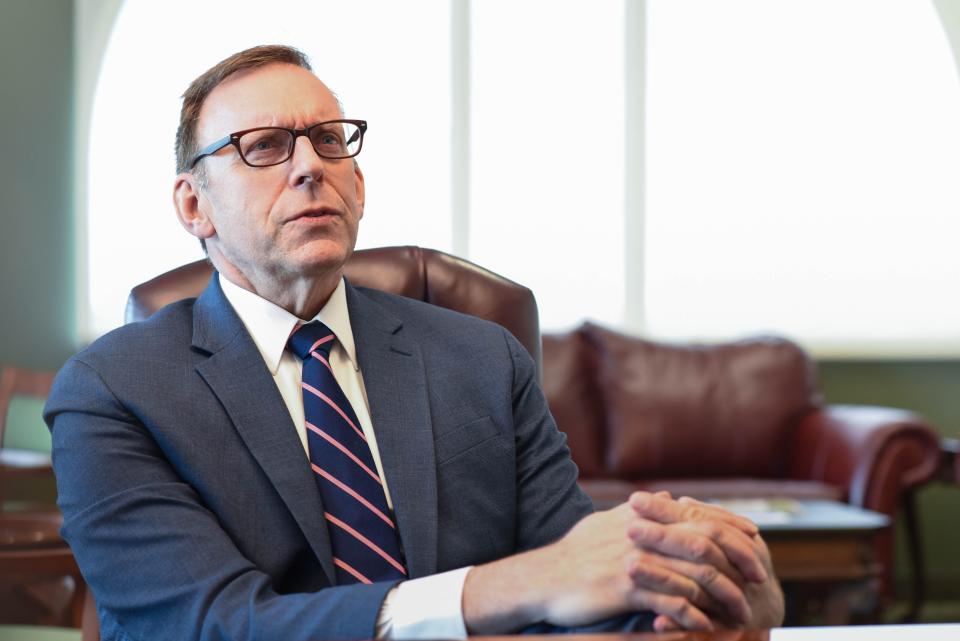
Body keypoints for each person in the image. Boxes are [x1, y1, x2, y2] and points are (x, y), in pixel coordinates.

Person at [45, 45, 783, 641]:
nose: (309, 166)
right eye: (264, 146)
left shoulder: (482, 358)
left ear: (358, 184)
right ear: (193, 203)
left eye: (329, 140)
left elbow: (583, 573)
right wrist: (510, 586)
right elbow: (207, 625)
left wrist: (699, 589)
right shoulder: (114, 392)